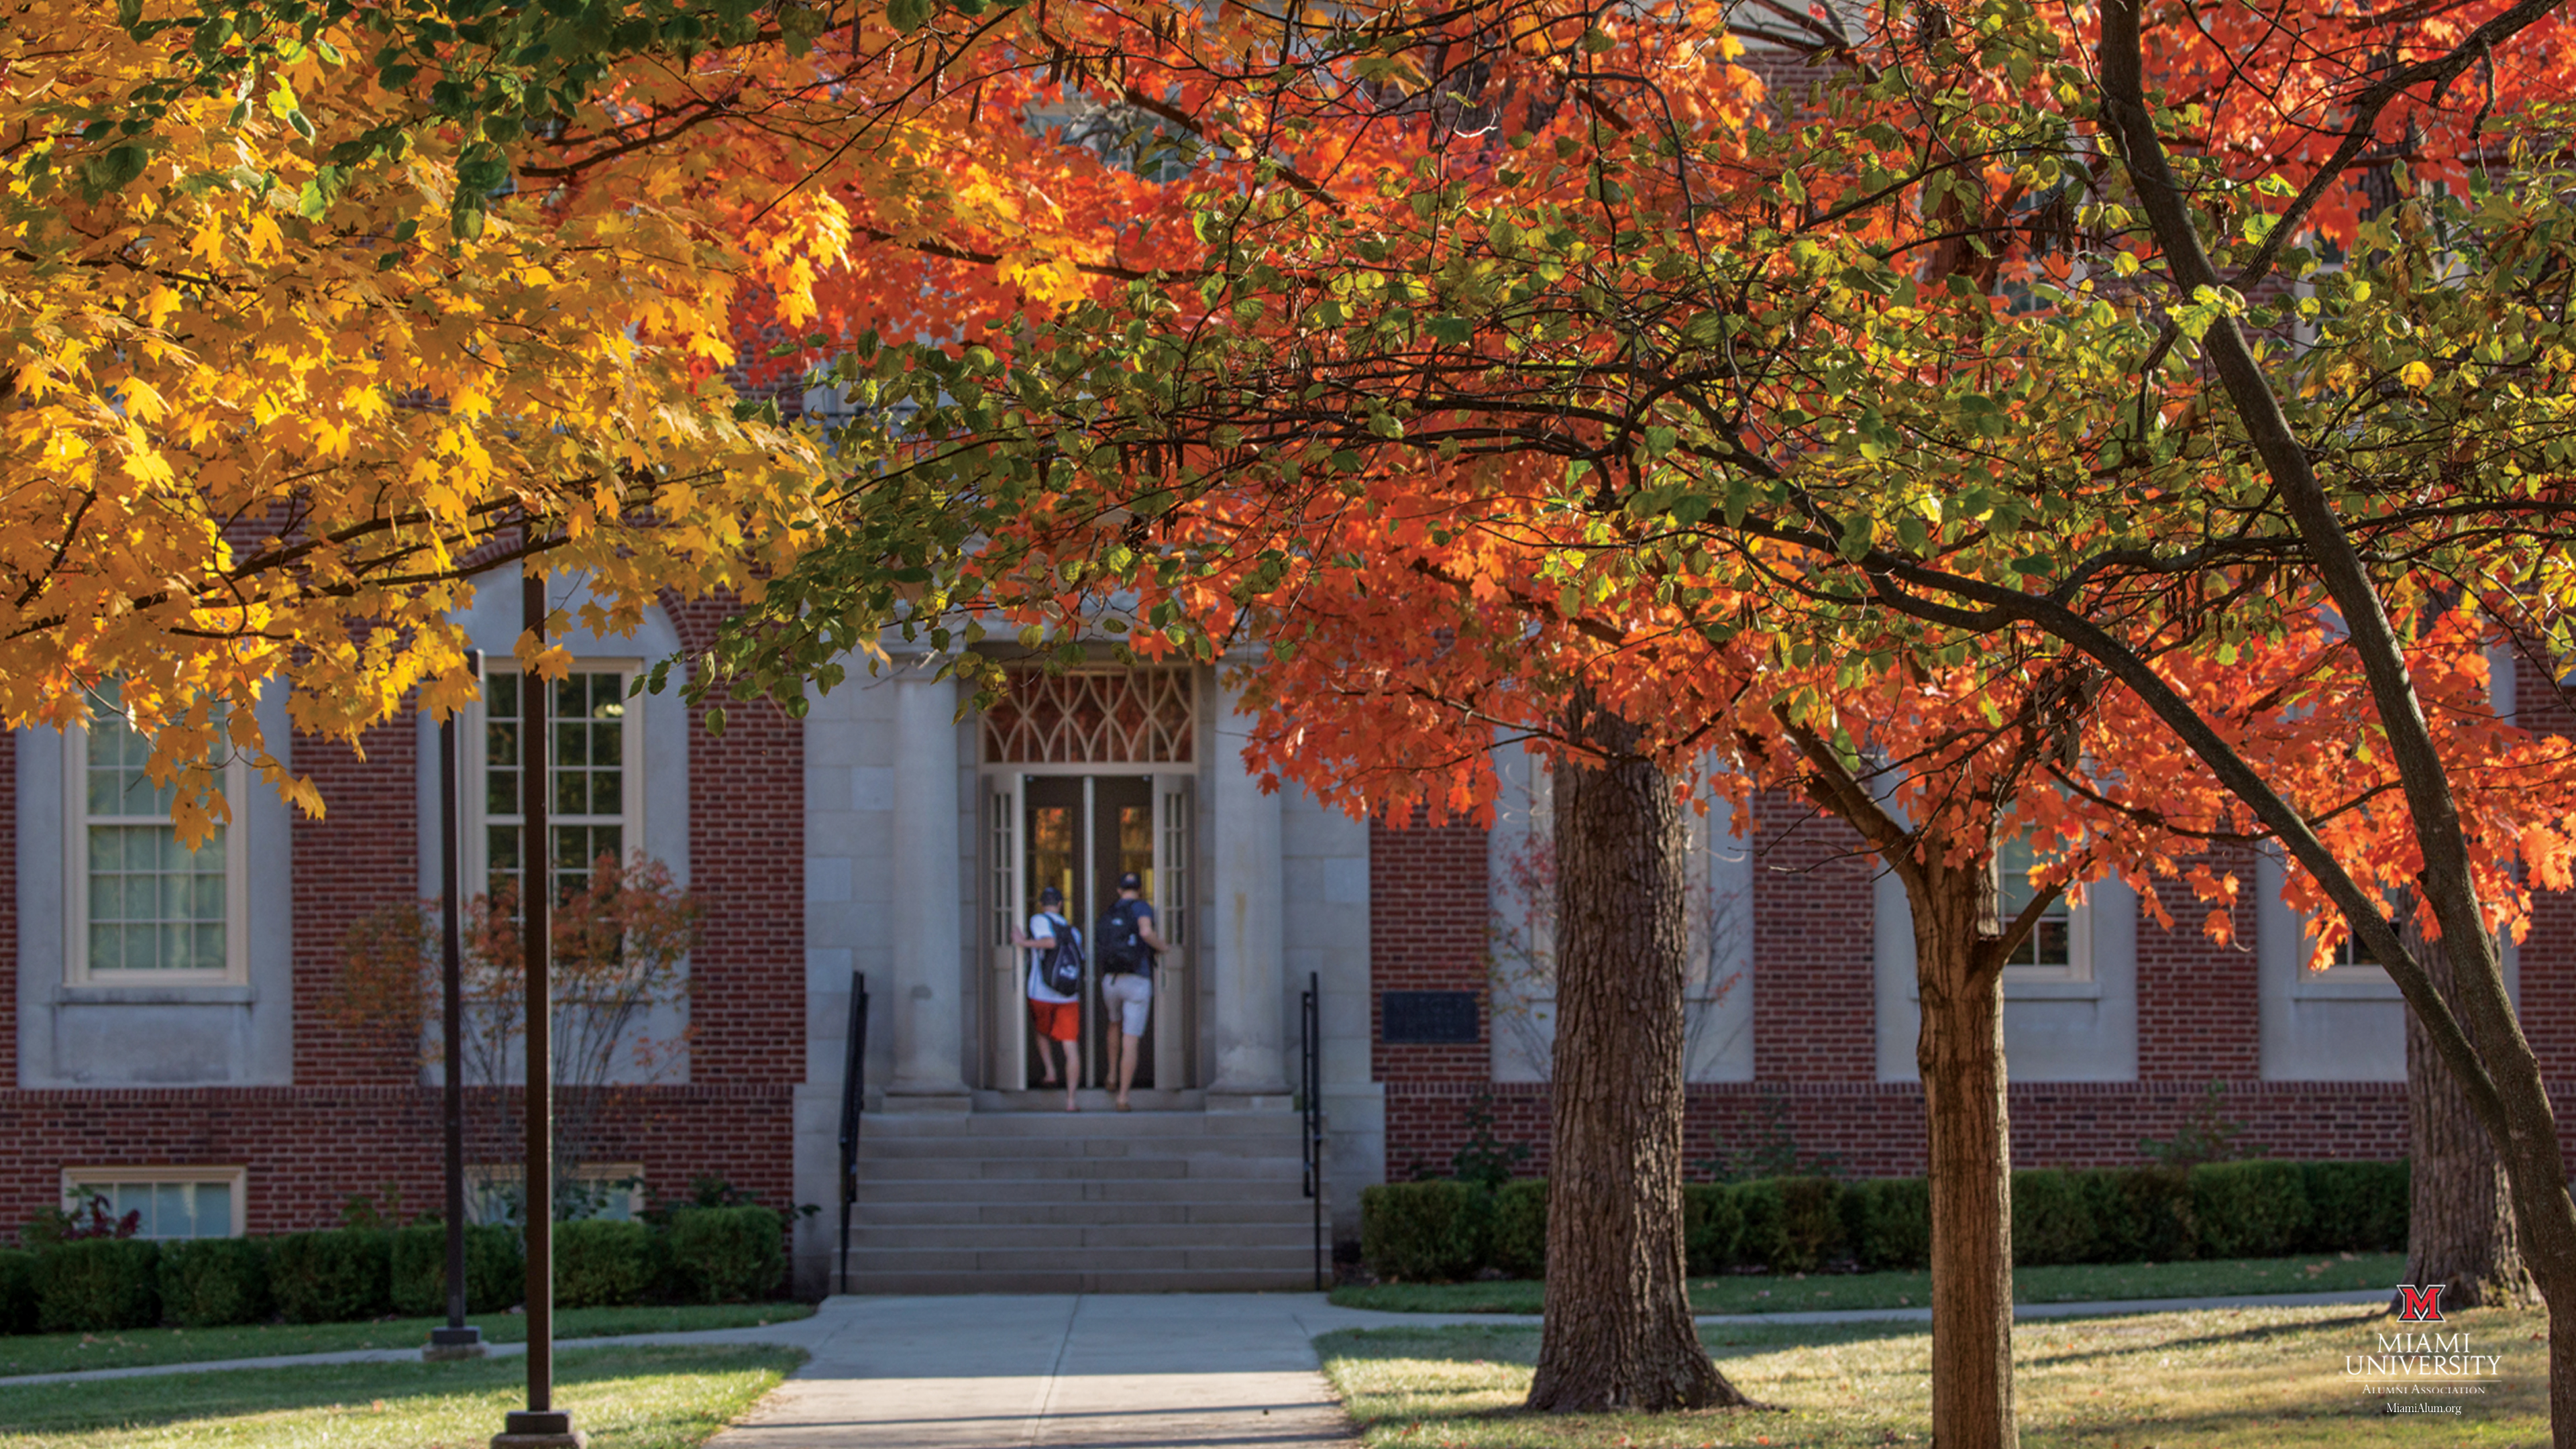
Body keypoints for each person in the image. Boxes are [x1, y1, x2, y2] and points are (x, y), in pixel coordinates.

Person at [1095, 871, 1170, 1112]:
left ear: (1119, 890)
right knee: (1131, 1038)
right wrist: (1164, 948)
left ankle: (1111, 1075)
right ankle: (1123, 1098)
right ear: (1140, 890)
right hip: (1137, 980)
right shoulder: (1141, 908)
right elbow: (1146, 933)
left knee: (1114, 1023)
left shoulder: (1111, 910)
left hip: (1111, 980)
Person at [1009, 884, 1082, 1112]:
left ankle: (1050, 1071)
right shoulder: (1074, 932)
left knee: (1042, 1032)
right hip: (1069, 995)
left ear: (1042, 904)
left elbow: (1049, 943)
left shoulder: (1038, 921)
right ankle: (1071, 1102)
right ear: (1061, 905)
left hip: (1041, 992)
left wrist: (1024, 943)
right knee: (1071, 1047)